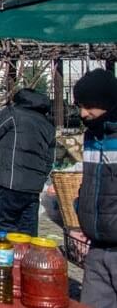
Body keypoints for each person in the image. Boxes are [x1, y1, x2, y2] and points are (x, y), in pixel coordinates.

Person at [0, 89, 55, 236]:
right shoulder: (47, 124)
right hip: (32, 189)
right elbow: (50, 158)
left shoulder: (13, 114)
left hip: (9, 183)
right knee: (27, 233)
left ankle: (6, 257)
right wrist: (40, 179)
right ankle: (27, 257)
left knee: (5, 229)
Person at [72, 69, 117, 307]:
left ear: (107, 103)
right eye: (80, 105)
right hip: (97, 247)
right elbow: (90, 183)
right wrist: (83, 213)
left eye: (89, 106)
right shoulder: (92, 136)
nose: (83, 113)